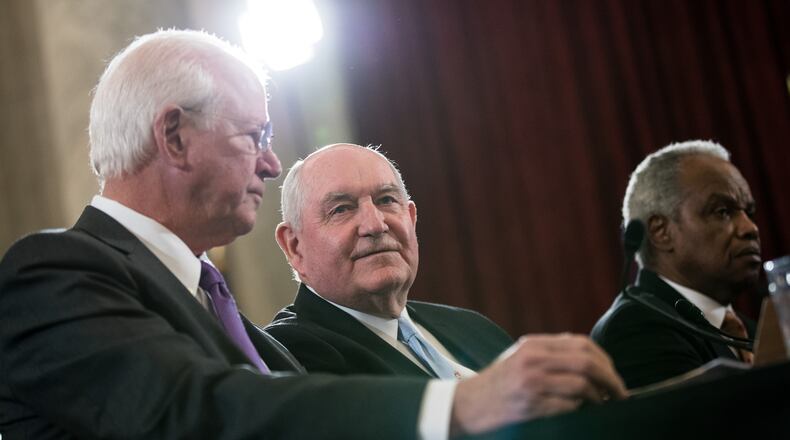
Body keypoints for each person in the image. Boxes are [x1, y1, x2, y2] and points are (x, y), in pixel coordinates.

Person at [0, 29, 626, 440]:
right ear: (174, 138)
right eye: (256, 137)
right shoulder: (52, 273)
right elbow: (197, 412)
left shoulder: (220, 312)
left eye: (388, 201)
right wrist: (458, 405)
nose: (271, 165)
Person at [266, 144, 514, 378]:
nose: (375, 225)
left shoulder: (471, 325)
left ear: (411, 219)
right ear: (294, 247)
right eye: (341, 209)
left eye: (386, 200)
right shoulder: (287, 355)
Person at [591, 140, 761, 389]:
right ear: (661, 232)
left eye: (749, 212)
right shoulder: (638, 330)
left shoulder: (751, 330)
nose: (750, 228)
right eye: (722, 211)